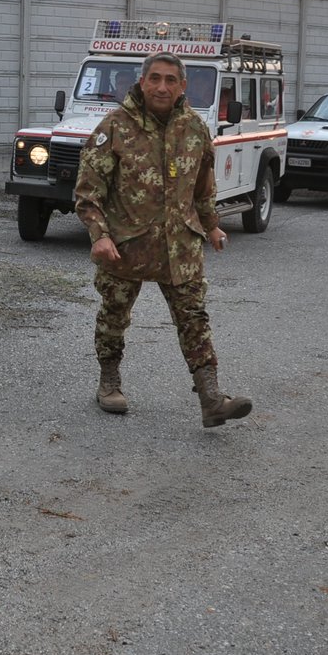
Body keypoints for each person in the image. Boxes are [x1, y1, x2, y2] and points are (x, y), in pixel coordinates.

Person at [72, 50, 253, 428]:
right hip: (126, 246)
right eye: (155, 78)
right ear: (142, 82)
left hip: (180, 247)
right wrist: (99, 235)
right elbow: (88, 191)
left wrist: (213, 225)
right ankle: (109, 382)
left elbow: (203, 187)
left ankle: (211, 399)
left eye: (171, 80)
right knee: (114, 316)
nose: (162, 86)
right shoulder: (115, 127)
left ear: (182, 86)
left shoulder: (195, 128)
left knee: (194, 319)